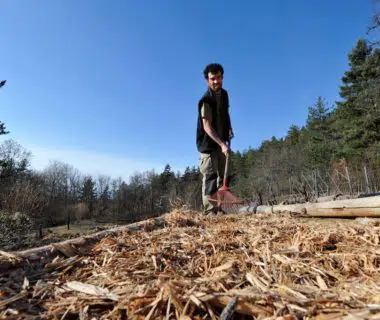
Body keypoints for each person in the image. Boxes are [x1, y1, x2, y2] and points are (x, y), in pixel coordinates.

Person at [196, 63, 234, 215]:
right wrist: (222, 144)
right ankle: (210, 211)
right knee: (211, 177)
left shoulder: (224, 95)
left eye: (219, 78)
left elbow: (226, 113)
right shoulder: (206, 100)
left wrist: (229, 128)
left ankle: (221, 208)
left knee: (224, 176)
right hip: (208, 144)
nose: (216, 81)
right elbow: (206, 126)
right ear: (207, 81)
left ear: (222, 77)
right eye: (213, 79)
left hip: (222, 142)